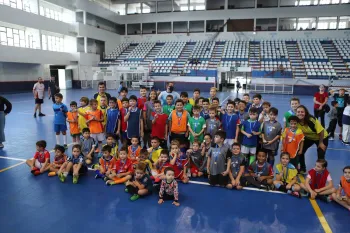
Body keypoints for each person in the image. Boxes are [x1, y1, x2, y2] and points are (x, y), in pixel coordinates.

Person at [296, 105, 329, 174]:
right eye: (298, 112)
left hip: (321, 137)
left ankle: (321, 171)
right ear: (296, 113)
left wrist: (321, 143)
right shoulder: (296, 121)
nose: (300, 113)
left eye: (302, 112)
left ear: (305, 113)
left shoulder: (311, 120)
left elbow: (321, 131)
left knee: (321, 154)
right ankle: (303, 168)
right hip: (309, 137)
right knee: (300, 151)